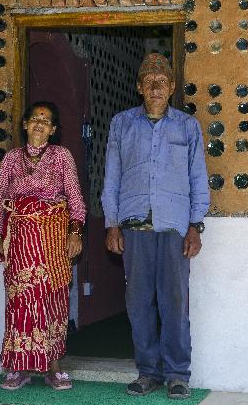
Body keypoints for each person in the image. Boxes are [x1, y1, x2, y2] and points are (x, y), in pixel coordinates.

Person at [102, 53, 210, 400]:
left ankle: (178, 374)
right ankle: (148, 371)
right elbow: (112, 176)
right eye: (148, 80)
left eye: (161, 81)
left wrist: (195, 225)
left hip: (174, 227)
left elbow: (197, 178)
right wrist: (112, 224)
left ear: (172, 87)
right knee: (138, 303)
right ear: (139, 87)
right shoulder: (121, 124)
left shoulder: (187, 126)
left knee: (174, 303)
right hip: (134, 228)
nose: (155, 86)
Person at [0, 101, 86, 391]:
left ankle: (54, 368)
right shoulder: (11, 159)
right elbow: (0, 200)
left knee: (51, 298)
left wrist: (75, 232)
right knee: (20, 300)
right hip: (20, 242)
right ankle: (19, 368)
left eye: (46, 120)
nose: (39, 124)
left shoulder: (61, 157)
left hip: (53, 240)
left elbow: (76, 200)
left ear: (53, 129)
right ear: (25, 124)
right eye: (34, 118)